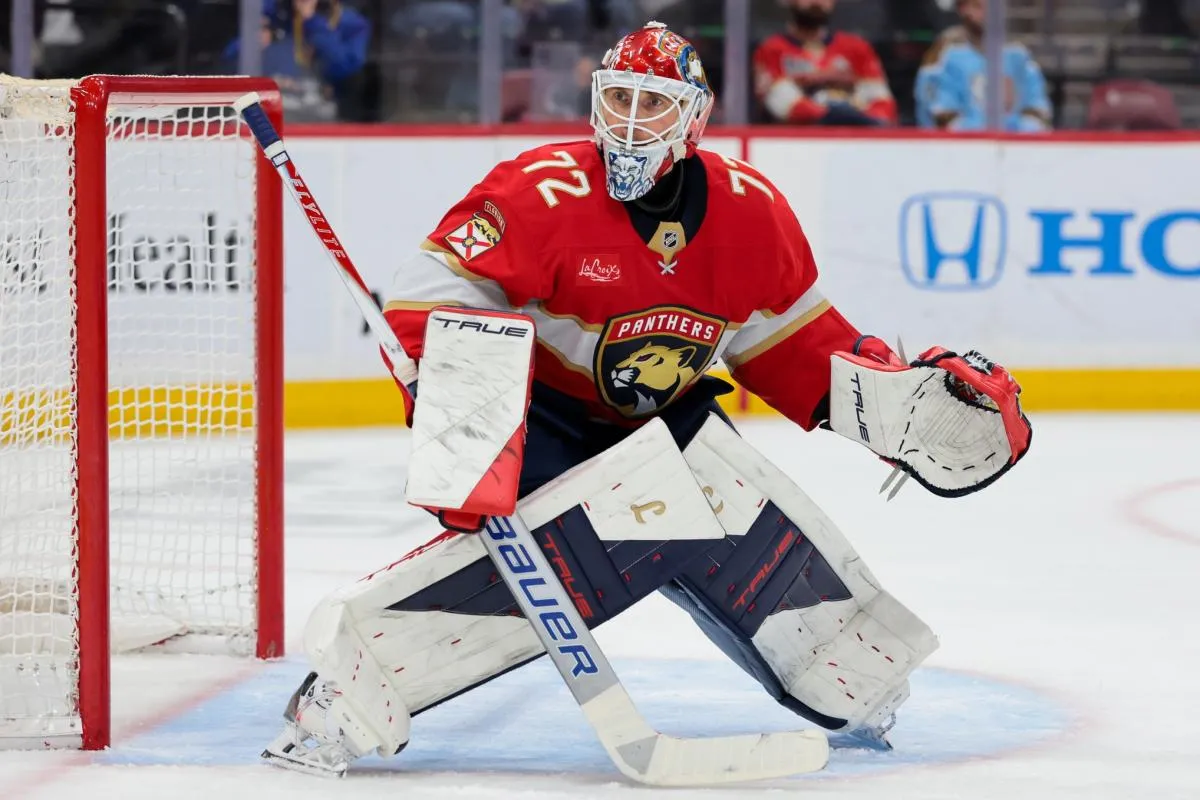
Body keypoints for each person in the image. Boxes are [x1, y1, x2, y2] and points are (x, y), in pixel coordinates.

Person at [261, 21, 1033, 778]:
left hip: (669, 420)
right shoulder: (541, 191)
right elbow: (433, 291)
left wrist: (889, 404)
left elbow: (792, 342)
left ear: (694, 117)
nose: (630, 122)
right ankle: (346, 696)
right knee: (561, 556)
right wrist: (462, 400)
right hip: (549, 423)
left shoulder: (750, 213)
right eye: (617, 98)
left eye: (652, 103)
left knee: (733, 516)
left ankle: (852, 676)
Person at [753, 0, 897, 126]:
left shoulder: (857, 48)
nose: (817, 2)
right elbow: (781, 102)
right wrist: (830, 113)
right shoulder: (772, 49)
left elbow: (883, 105)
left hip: (855, 142)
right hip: (792, 144)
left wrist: (861, 118)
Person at [222, 0, 371, 122]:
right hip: (262, 115)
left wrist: (314, 23)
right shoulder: (270, 13)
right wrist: (252, 42)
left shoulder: (347, 21)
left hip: (316, 118)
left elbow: (346, 71)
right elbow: (228, 67)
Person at [917, 0, 1052, 132]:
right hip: (962, 148)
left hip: (1013, 148)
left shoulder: (1018, 53)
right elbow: (937, 113)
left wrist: (1016, 134)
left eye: (993, 6)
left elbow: (1038, 110)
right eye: (978, 6)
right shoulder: (946, 50)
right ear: (963, 8)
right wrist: (980, 135)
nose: (988, 13)